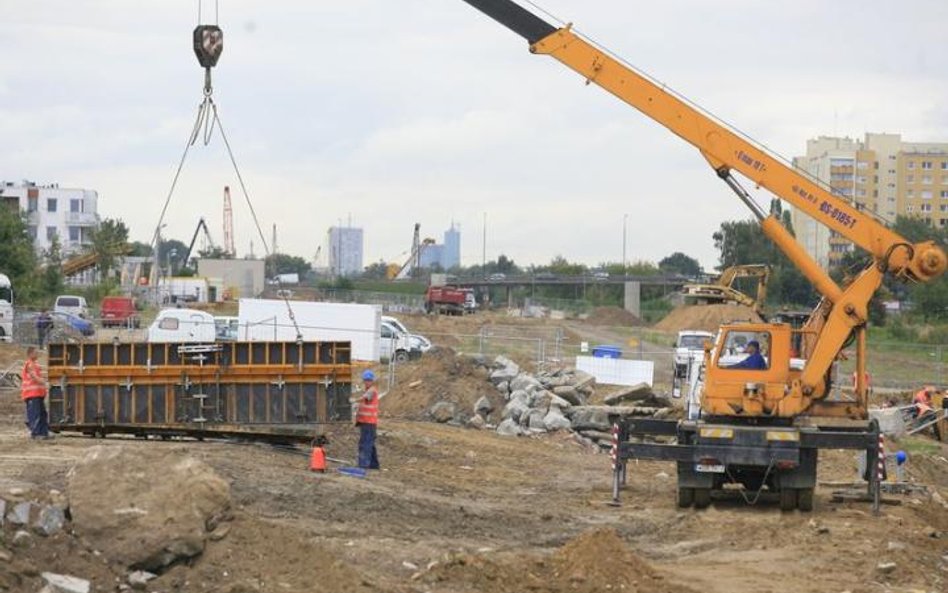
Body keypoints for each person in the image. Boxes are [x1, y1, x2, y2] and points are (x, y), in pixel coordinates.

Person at [21, 346, 50, 439]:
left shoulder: (35, 365)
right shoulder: (30, 364)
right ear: (30, 354)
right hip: (32, 394)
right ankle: (36, 433)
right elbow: (35, 377)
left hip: (38, 394)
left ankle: (43, 432)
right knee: (35, 414)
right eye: (35, 352)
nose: (37, 354)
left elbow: (39, 376)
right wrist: (46, 383)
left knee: (42, 414)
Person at [355, 369, 380, 470]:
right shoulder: (368, 390)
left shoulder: (372, 390)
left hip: (369, 423)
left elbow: (365, 398)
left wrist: (352, 401)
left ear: (372, 381)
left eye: (368, 380)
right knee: (370, 443)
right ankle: (374, 465)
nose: (367, 382)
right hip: (366, 422)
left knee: (365, 443)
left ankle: (364, 465)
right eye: (365, 380)